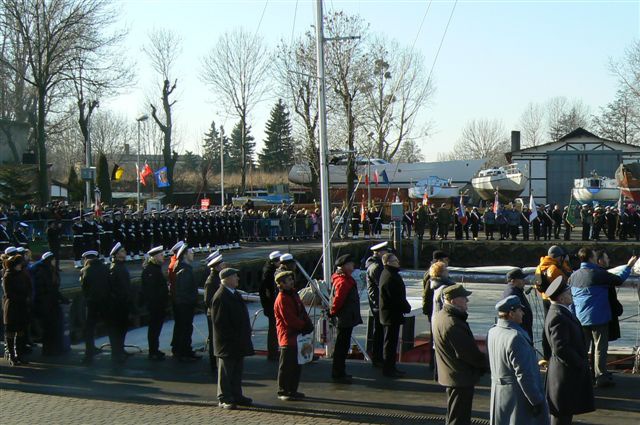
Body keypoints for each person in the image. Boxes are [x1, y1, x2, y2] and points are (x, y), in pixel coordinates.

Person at [569, 247, 636, 388]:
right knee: (600, 347)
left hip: (580, 318)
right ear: (591, 258)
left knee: (582, 347)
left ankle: (580, 375)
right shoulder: (598, 273)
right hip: (598, 317)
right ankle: (600, 376)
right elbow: (618, 280)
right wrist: (629, 266)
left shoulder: (573, 276)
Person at [488, 296, 549, 425]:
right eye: (519, 310)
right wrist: (536, 400)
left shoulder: (493, 331)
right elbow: (524, 375)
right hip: (517, 397)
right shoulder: (515, 337)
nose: (523, 313)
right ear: (511, 313)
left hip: (499, 395)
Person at [432, 284, 487, 425]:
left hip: (452, 375)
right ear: (453, 300)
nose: (467, 301)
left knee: (454, 414)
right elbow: (468, 353)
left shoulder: (441, 316)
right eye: (464, 298)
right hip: (460, 377)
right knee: (459, 418)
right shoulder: (453, 323)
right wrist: (487, 364)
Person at [544, 276, 594, 425]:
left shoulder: (559, 312)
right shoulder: (558, 316)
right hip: (565, 375)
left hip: (565, 373)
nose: (571, 295)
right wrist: (579, 363)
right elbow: (560, 347)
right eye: (568, 293)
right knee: (562, 416)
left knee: (565, 413)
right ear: (561, 298)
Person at [211, 268, 255, 410]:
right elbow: (219, 323)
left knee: (236, 371)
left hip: (238, 341)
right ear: (227, 279)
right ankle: (224, 397)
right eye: (235, 276)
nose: (237, 278)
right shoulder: (220, 296)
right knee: (226, 371)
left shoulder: (233, 294)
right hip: (228, 343)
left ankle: (236, 395)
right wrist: (233, 337)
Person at [273, 270, 313, 401]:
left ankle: (292, 389)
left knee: (297, 364)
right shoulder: (282, 299)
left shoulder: (293, 295)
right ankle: (283, 390)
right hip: (288, 337)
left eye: (291, 279)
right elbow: (289, 319)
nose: (291, 282)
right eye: (288, 280)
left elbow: (301, 310)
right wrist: (303, 326)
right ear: (281, 284)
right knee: (286, 366)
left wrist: (307, 323)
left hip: (297, 336)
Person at [534, 245, 571, 366]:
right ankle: (556, 355)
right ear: (558, 257)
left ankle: (546, 356)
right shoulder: (554, 268)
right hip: (556, 300)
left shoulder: (540, 267)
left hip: (545, 298)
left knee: (547, 325)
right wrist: (566, 265)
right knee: (558, 326)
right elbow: (566, 280)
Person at [329, 253, 362, 384]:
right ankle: (338, 373)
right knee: (341, 346)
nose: (353, 266)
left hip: (347, 317)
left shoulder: (344, 279)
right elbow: (338, 300)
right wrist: (333, 311)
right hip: (345, 318)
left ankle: (340, 371)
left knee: (343, 345)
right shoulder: (343, 281)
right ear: (345, 266)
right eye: (351, 264)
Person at [379, 252, 411, 378]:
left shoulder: (387, 274)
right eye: (395, 261)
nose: (398, 263)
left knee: (391, 342)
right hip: (391, 314)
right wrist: (406, 307)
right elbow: (396, 297)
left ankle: (391, 367)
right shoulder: (391, 277)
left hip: (390, 314)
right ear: (388, 263)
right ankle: (388, 368)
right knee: (390, 343)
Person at [32, 252, 67, 356]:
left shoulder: (50, 270)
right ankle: (48, 350)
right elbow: (49, 289)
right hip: (46, 304)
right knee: (49, 328)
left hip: (51, 303)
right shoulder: (43, 271)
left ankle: (52, 349)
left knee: (52, 327)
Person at [79, 250, 110, 365]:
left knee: (89, 329)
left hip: (92, 303)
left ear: (86, 259)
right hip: (105, 302)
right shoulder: (105, 268)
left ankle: (89, 354)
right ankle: (117, 352)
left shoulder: (85, 270)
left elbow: (84, 288)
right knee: (110, 326)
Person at [171, 244, 200, 361]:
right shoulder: (184, 271)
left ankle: (185, 350)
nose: (192, 254)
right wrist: (192, 301)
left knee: (185, 328)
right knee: (185, 328)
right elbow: (183, 291)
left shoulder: (185, 268)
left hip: (185, 304)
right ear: (185, 255)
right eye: (190, 252)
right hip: (185, 306)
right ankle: (183, 352)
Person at [141, 245, 169, 361]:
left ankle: (155, 349)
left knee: (156, 328)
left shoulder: (155, 269)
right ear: (154, 257)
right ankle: (153, 351)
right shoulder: (150, 271)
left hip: (159, 304)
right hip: (155, 305)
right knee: (154, 328)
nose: (163, 257)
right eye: (161, 255)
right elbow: (151, 290)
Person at [2, 254, 31, 366]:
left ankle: (20, 355)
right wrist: (22, 298)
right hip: (12, 307)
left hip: (22, 307)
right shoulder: (8, 276)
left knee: (21, 333)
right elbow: (8, 293)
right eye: (19, 264)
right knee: (10, 333)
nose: (21, 266)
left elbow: (28, 287)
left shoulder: (22, 274)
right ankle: (12, 356)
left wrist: (27, 297)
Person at [364, 241, 389, 368]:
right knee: (379, 332)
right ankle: (378, 358)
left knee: (379, 331)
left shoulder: (375, 265)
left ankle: (378, 357)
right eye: (385, 251)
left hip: (376, 303)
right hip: (377, 304)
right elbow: (382, 284)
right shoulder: (376, 267)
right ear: (379, 253)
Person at [108, 242, 131, 364]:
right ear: (116, 255)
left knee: (123, 328)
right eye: (122, 251)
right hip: (118, 305)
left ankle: (120, 349)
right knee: (117, 329)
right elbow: (113, 288)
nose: (125, 252)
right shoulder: (114, 268)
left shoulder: (121, 266)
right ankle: (116, 353)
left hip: (124, 303)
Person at [204, 253, 225, 370]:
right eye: (221, 264)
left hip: (218, 313)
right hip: (213, 314)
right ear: (217, 267)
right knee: (214, 339)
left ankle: (217, 361)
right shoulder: (211, 281)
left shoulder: (218, 279)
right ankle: (214, 363)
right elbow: (208, 300)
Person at [259, 250, 282, 362]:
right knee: (273, 330)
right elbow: (267, 292)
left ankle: (274, 351)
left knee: (274, 330)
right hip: (271, 306)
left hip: (270, 306)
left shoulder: (268, 271)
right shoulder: (269, 273)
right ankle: (272, 352)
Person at [502, 268, 533, 340]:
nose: (524, 281)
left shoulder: (517, 291)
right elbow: (512, 317)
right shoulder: (512, 294)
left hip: (523, 333)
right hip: (519, 335)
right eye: (521, 279)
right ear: (513, 281)